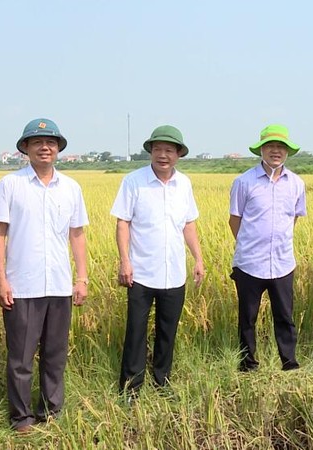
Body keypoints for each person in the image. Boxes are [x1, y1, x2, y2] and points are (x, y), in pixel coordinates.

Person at [0, 118, 89, 433]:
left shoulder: (71, 188)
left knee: (55, 354)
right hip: (22, 286)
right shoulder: (10, 184)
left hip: (59, 285)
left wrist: (82, 277)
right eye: (37, 142)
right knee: (20, 357)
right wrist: (1, 280)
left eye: (50, 142)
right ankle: (21, 417)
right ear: (26, 149)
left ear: (58, 148)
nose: (44, 147)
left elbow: (77, 235)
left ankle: (52, 411)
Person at [111, 125, 205, 397]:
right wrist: (124, 261)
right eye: (158, 149)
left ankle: (162, 381)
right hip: (140, 272)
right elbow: (123, 223)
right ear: (151, 151)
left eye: (169, 150)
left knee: (168, 330)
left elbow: (189, 224)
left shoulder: (184, 184)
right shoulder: (133, 181)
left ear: (178, 154)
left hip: (174, 273)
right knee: (136, 331)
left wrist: (198, 258)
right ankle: (131, 388)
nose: (163, 155)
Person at [228, 124, 305, 372]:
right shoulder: (244, 182)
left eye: (281, 147)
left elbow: (294, 217)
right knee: (247, 317)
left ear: (287, 152)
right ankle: (248, 363)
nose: (275, 151)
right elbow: (235, 219)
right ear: (261, 150)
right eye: (270, 146)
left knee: (284, 315)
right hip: (250, 263)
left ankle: (289, 361)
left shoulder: (296, 183)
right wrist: (250, 245)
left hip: (282, 262)